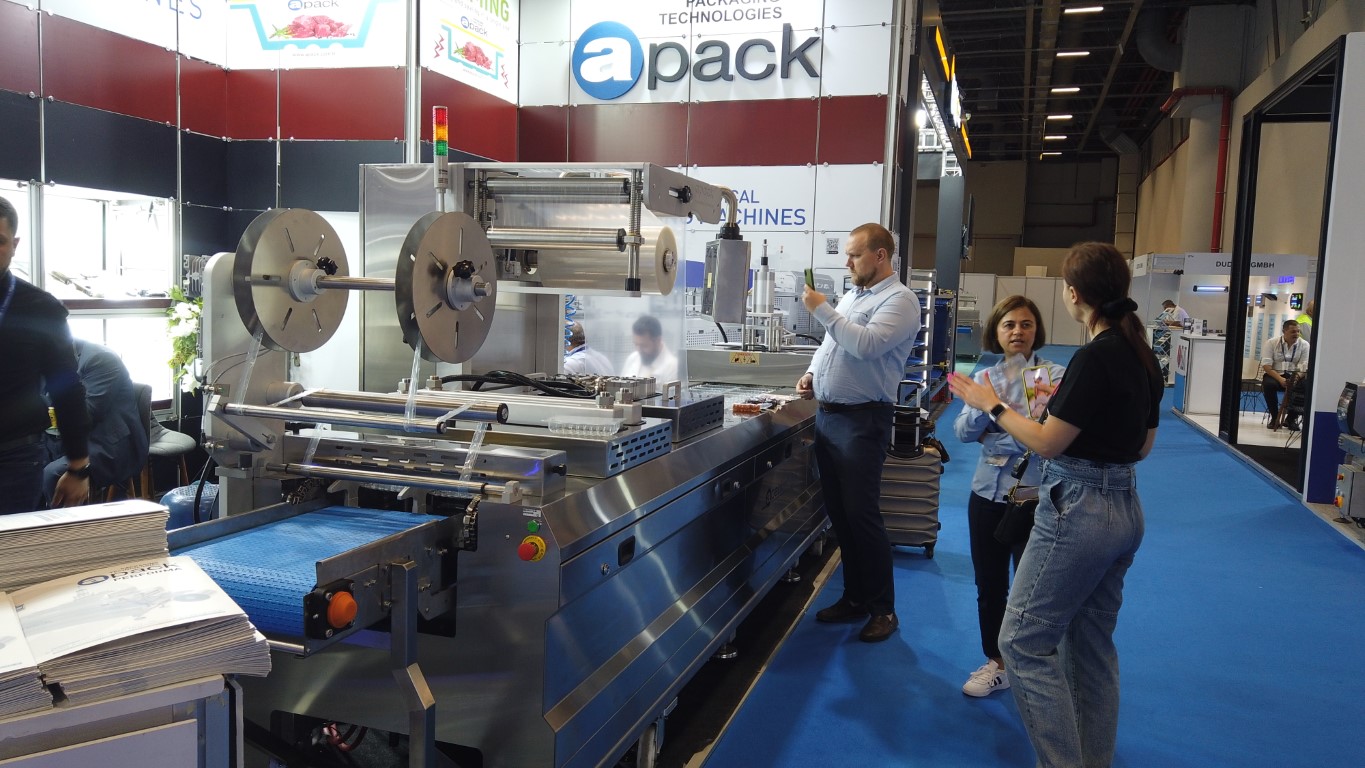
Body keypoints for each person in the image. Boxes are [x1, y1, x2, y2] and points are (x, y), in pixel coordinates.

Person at [947, 241, 1162, 767]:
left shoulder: (1092, 358)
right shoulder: (1141, 355)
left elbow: (1046, 443)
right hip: (1124, 505)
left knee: (1021, 644)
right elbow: (1142, 447)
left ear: (1073, 294)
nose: (1018, 331)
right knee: (1090, 646)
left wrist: (991, 405)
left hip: (1078, 508)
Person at [796, 222, 918, 643]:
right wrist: (812, 373)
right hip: (830, 418)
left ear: (880, 255)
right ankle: (854, 597)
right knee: (840, 515)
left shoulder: (900, 300)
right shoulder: (853, 296)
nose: (847, 262)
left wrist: (821, 309)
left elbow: (866, 345)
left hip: (863, 422)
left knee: (862, 516)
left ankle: (884, 610)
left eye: (854, 254)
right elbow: (831, 344)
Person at [953, 296, 1066, 697]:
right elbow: (963, 432)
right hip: (986, 493)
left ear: (1037, 330)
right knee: (989, 585)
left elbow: (1042, 438)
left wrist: (995, 414)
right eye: (1009, 325)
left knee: (1034, 590)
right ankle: (997, 662)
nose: (1018, 331)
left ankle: (1036, 663)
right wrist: (994, 414)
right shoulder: (983, 376)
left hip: (1034, 495)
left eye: (1026, 324)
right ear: (996, 332)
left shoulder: (1048, 375)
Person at [0, 195, 92, 513]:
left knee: (11, 544)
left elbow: (66, 388)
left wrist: (78, 467)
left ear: (14, 244)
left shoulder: (41, 309)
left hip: (14, 459)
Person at [42, 339, 149, 502]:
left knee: (52, 474)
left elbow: (89, 413)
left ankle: (67, 518)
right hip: (69, 436)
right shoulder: (47, 360)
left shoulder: (100, 358)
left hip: (108, 442)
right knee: (26, 463)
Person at [1260, 318, 1310, 430]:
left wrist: (1295, 379)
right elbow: (1266, 366)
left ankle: (1291, 418)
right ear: (1284, 331)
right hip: (1275, 374)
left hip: (1295, 375)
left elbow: (1304, 366)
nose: (1296, 334)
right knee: (1268, 385)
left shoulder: (1304, 345)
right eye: (1293, 332)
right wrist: (1280, 379)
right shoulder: (1271, 343)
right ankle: (1275, 417)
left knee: (1305, 385)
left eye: (1298, 331)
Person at [620, 314, 679, 383]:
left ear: (658, 340)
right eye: (636, 344)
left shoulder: (673, 368)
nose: (639, 350)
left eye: (644, 346)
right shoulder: (632, 358)